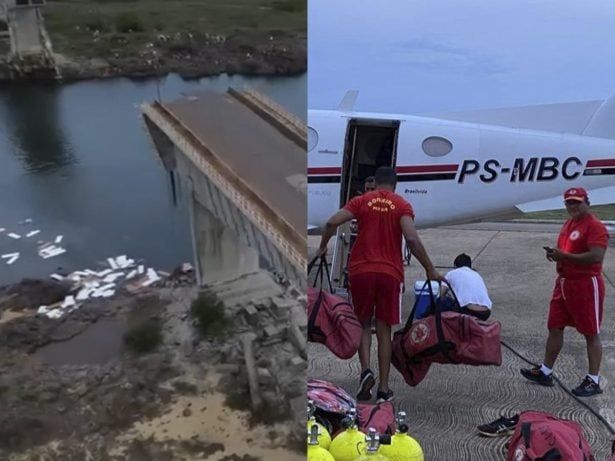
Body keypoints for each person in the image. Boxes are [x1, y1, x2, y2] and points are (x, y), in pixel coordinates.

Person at [316, 166, 443, 402]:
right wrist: (429, 268)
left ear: (376, 184)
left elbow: (331, 222)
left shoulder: (362, 201)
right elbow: (412, 239)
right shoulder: (401, 205)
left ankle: (365, 372)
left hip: (360, 271)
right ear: (395, 185)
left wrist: (323, 245)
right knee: (385, 330)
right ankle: (384, 389)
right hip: (389, 273)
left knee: (363, 324)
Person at [520, 187, 609, 397]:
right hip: (564, 283)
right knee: (555, 326)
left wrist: (565, 257)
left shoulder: (594, 226)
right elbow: (566, 252)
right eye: (569, 202)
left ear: (587, 202)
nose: (573, 206)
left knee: (590, 332)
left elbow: (596, 256)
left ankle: (593, 380)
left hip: (586, 284)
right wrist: (555, 255)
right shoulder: (569, 224)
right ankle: (545, 371)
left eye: (577, 202)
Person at [439, 253, 493, 321]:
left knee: (442, 302)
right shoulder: (476, 274)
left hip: (468, 311)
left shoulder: (450, 274)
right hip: (486, 312)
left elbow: (440, 295)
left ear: (455, 266)